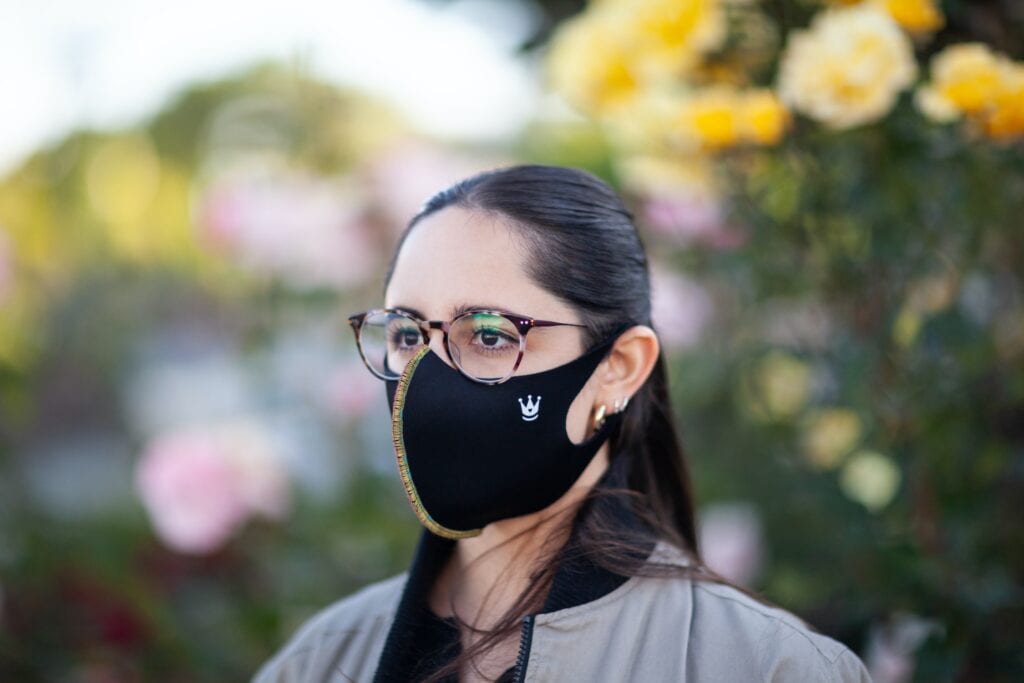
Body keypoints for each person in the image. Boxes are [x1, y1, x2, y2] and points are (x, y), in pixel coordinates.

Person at [253, 164, 872, 682]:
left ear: (619, 368)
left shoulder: (767, 667)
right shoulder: (320, 660)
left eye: (490, 334)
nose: (429, 381)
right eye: (408, 333)